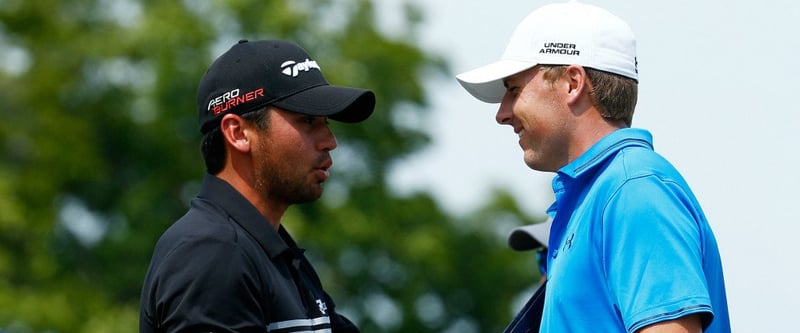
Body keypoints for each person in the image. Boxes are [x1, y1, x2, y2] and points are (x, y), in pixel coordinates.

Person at [456, 2, 731, 333]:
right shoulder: (607, 194)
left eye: (514, 90)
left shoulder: (634, 187)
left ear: (573, 83)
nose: (502, 113)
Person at [139, 39, 375, 333]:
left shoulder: (275, 255)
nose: (330, 141)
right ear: (238, 133)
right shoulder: (213, 253)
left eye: (326, 123)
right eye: (308, 120)